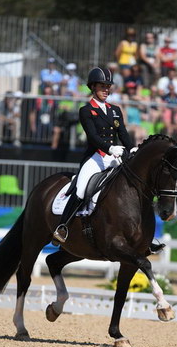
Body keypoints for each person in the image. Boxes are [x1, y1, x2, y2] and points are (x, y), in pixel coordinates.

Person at [53, 66, 137, 243]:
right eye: (102, 86)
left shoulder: (115, 110)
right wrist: (111, 148)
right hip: (96, 156)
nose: (106, 90)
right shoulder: (86, 110)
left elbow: (123, 133)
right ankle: (63, 227)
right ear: (93, 87)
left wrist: (131, 148)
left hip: (115, 157)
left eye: (108, 86)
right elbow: (93, 136)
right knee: (82, 189)